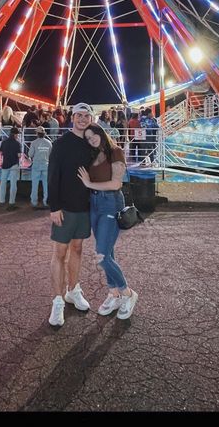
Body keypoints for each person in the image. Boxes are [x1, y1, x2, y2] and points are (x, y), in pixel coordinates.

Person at [77, 123, 138, 320]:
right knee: (108, 252)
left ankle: (128, 293)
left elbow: (116, 183)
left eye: (93, 134)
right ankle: (114, 293)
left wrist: (88, 183)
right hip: (94, 203)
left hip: (110, 202)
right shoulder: (92, 156)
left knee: (102, 255)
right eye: (87, 137)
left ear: (101, 133)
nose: (91, 138)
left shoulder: (115, 152)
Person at [47, 102, 95, 326]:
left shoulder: (92, 145)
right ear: (72, 117)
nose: (83, 119)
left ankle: (73, 290)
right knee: (60, 252)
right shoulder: (60, 144)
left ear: (91, 119)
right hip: (64, 207)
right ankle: (57, 301)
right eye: (79, 115)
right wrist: (53, 206)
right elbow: (52, 175)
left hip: (84, 207)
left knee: (77, 249)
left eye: (86, 116)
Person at [29, 126, 52, 209]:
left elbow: (30, 154)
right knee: (46, 185)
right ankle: (46, 202)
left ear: (37, 134)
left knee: (34, 184)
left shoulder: (33, 143)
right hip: (46, 165)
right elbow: (51, 155)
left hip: (36, 165)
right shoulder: (49, 143)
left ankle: (34, 202)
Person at [0, 127, 22, 210]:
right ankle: (11, 202)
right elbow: (19, 155)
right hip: (14, 165)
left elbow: (1, 152)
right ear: (15, 134)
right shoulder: (17, 143)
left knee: (3, 183)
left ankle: (1, 200)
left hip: (5, 164)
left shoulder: (4, 142)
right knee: (13, 184)